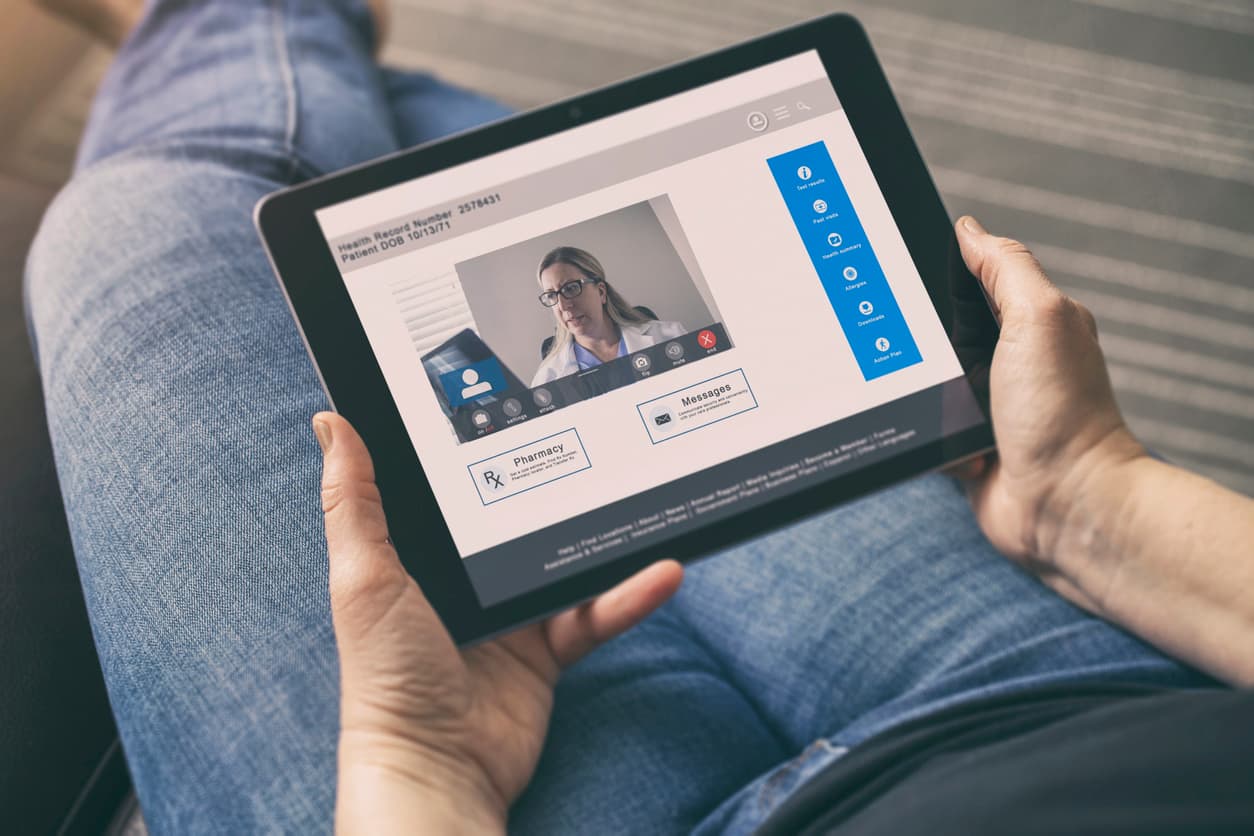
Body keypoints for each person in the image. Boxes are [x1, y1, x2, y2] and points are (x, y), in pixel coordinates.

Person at [25, 1, 1253, 834]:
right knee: (471, 166)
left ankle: (243, 23)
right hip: (1065, 707)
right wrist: (1090, 492)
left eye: (571, 283)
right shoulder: (550, 352)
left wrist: (417, 766)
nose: (559, 296)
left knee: (141, 213)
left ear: (604, 285)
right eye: (548, 287)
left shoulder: (669, 331)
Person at [531, 245, 686, 386]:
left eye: (571, 288)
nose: (563, 306)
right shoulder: (546, 379)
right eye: (551, 295)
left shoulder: (670, 336)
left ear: (601, 291)